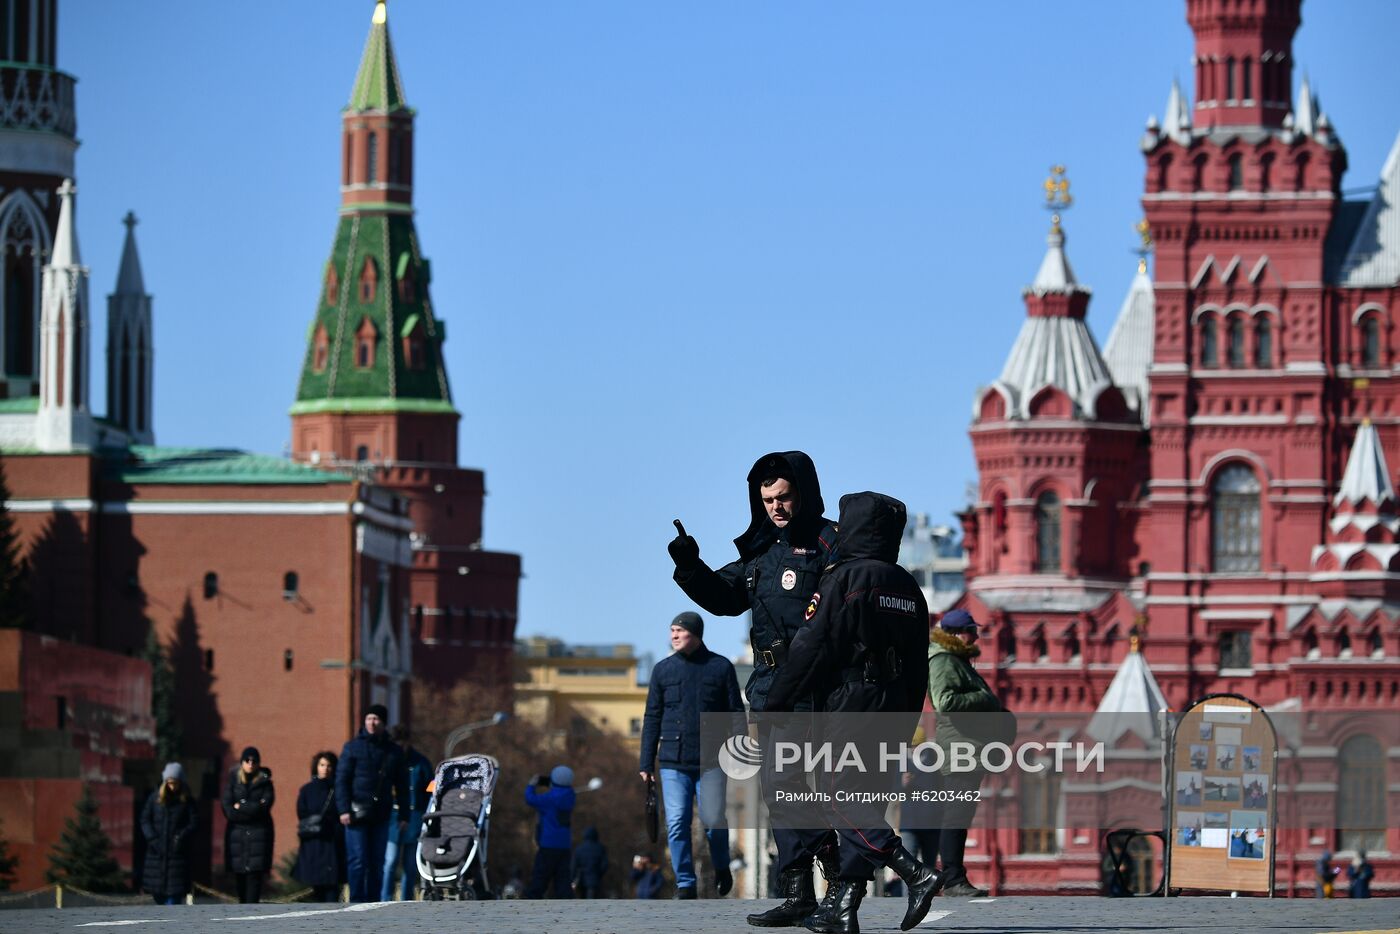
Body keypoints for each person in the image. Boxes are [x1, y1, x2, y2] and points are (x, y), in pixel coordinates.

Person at [668, 451, 840, 925]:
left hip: (821, 690)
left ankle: (841, 880)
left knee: (819, 788)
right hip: (771, 691)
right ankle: (800, 891)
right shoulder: (762, 551)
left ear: (803, 493)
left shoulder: (832, 543)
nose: (776, 507)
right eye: (767, 500)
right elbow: (724, 597)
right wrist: (690, 566)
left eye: (784, 497)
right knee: (780, 792)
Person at [767, 491, 942, 934]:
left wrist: (777, 702)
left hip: (851, 702)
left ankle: (915, 873)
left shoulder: (846, 578)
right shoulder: (908, 587)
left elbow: (811, 646)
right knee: (865, 800)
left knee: (838, 796)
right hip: (894, 707)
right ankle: (843, 907)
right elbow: (918, 664)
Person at [639, 611, 746, 899]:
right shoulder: (662, 670)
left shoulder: (720, 667)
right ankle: (685, 883)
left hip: (712, 761)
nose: (673, 635)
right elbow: (652, 717)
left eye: (679, 630)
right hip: (673, 761)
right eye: (671, 630)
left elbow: (736, 713)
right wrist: (646, 762)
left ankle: (722, 865)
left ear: (695, 634)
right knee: (677, 822)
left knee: (713, 820)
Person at [924, 608, 1007, 897]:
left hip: (967, 747)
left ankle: (955, 876)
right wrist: (984, 698)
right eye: (971, 630)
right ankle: (952, 878)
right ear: (956, 634)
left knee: (961, 813)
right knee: (956, 814)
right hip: (959, 748)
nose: (975, 635)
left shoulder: (956, 659)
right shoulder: (944, 660)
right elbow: (945, 702)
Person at [337, 704, 409, 902]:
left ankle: (374, 900)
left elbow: (402, 785)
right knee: (358, 860)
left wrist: (404, 814)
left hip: (380, 814)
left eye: (376, 719)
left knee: (378, 861)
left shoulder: (393, 751)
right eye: (369, 718)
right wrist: (343, 809)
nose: (372, 722)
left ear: (383, 723)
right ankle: (357, 900)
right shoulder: (352, 748)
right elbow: (341, 780)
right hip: (355, 814)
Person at [380, 724, 432, 902]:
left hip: (415, 817)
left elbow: (430, 790)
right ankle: (385, 898)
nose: (400, 748)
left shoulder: (421, 762)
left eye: (403, 744)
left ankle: (407, 899)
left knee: (411, 864)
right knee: (390, 861)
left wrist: (427, 813)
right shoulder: (389, 760)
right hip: (393, 818)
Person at [222, 746, 275, 904]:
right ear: (242, 762)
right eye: (247, 760)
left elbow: (264, 808)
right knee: (240, 888)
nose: (250, 763)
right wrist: (252, 807)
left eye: (254, 760)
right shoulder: (233, 782)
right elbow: (228, 809)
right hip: (237, 841)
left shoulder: (265, 783)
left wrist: (241, 805)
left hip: (258, 840)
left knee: (253, 888)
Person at [140, 762, 197, 905]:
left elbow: (193, 823)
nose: (172, 786)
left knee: (173, 901)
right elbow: (145, 819)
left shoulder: (186, 801)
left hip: (177, 857)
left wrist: (181, 837)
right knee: (158, 899)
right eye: (170, 783)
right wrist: (152, 838)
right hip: (156, 856)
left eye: (175, 783)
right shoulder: (155, 799)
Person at [295, 751, 345, 903]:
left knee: (332, 890)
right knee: (317, 891)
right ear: (316, 767)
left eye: (329, 766)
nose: (325, 769)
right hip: (313, 844)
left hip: (332, 844)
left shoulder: (338, 789)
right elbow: (301, 813)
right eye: (322, 765)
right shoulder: (307, 790)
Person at [525, 765, 577, 898]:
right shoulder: (570, 796)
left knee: (541, 875)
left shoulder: (548, 799)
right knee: (562, 877)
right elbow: (563, 791)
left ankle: (533, 896)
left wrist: (531, 785)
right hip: (564, 844)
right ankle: (565, 898)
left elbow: (530, 799)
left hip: (548, 843)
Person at [572, 826, 609, 898]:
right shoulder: (600, 848)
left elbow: (574, 865)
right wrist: (599, 873)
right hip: (594, 878)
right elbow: (605, 864)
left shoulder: (579, 849)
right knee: (592, 900)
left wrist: (573, 878)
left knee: (582, 900)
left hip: (581, 878)